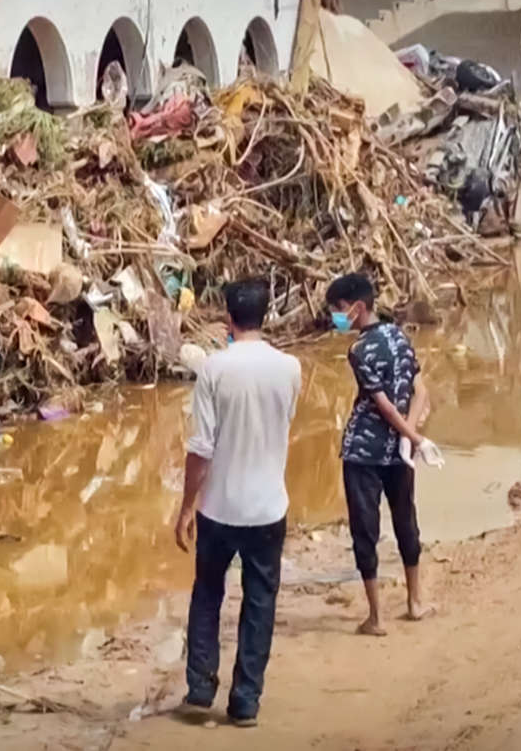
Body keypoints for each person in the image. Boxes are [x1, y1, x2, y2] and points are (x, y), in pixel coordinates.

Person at [173, 279, 302, 728]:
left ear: (228, 317)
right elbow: (282, 424)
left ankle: (200, 687)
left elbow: (201, 449)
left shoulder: (214, 369)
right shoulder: (290, 367)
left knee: (207, 594)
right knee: (260, 602)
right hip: (268, 508)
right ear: (264, 315)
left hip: (219, 508)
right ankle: (245, 700)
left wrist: (186, 506)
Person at [325, 273, 435, 636]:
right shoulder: (399, 335)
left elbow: (383, 407)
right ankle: (414, 602)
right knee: (407, 520)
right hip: (397, 454)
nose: (336, 317)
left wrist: (412, 437)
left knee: (365, 530)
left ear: (356, 308)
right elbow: (420, 393)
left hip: (364, 451)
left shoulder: (359, 351)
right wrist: (412, 436)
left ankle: (375, 617)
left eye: (338, 310)